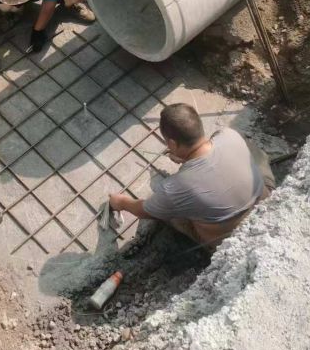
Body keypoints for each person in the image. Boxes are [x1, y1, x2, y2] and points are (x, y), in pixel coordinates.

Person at [109, 103, 274, 251]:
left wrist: (121, 202)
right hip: (266, 206)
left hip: (233, 240)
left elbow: (145, 211)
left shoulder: (174, 188)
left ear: (172, 144)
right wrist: (187, 158)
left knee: (172, 212)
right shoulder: (228, 135)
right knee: (252, 155)